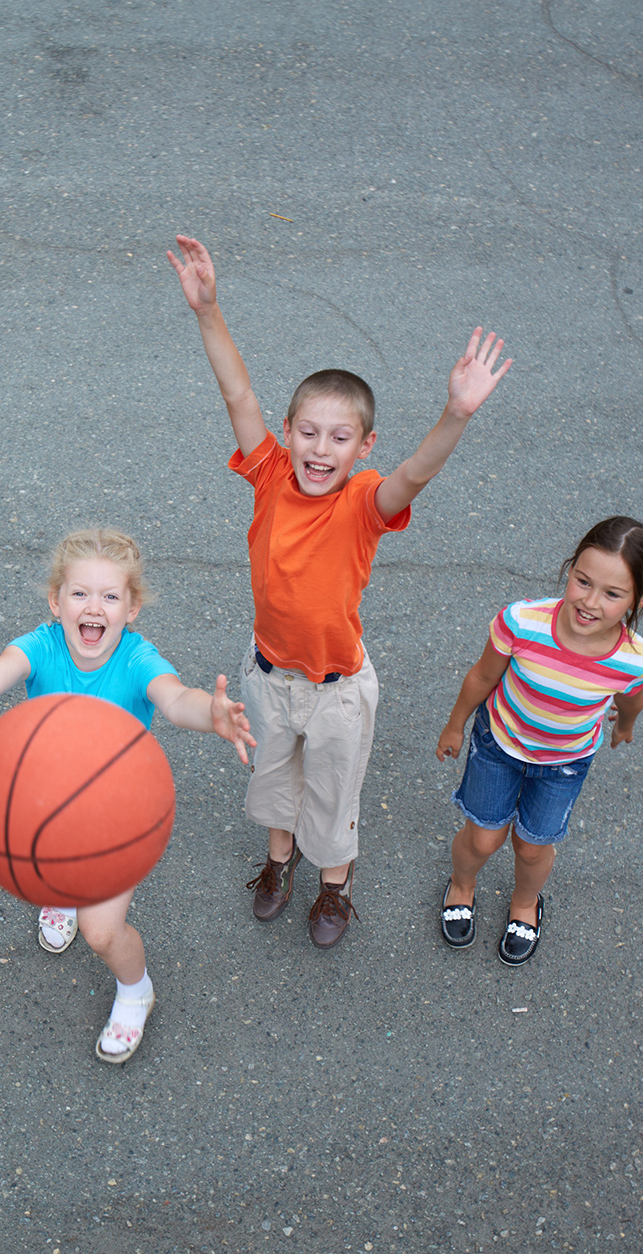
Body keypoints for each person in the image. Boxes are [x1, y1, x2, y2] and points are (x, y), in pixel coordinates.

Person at [169, 233, 513, 948]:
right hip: (270, 674)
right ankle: (278, 861)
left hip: (337, 688)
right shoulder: (268, 473)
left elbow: (415, 475)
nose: (321, 450)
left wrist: (456, 414)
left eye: (340, 438)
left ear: (365, 447)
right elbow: (237, 391)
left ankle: (334, 886)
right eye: (309, 433)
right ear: (288, 433)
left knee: (334, 794)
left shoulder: (362, 503)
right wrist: (208, 310)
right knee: (273, 784)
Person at [0, 528, 254, 1064]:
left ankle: (136, 990)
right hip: (47, 804)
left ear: (132, 608)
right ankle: (59, 894)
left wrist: (209, 713)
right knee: (51, 869)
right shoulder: (41, 645)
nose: (94, 607)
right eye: (80, 594)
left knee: (99, 932)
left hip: (118, 814)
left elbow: (176, 698)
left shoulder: (137, 659)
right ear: (56, 601)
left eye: (110, 596)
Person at [435, 518, 643, 965]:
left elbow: (631, 700)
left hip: (565, 762)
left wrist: (625, 725)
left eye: (613, 594)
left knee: (533, 844)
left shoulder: (635, 659)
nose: (590, 601)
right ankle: (462, 884)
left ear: (640, 599)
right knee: (483, 839)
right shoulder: (522, 622)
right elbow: (483, 676)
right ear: (570, 568)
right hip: (499, 744)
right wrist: (455, 724)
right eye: (583, 581)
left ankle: (524, 903)